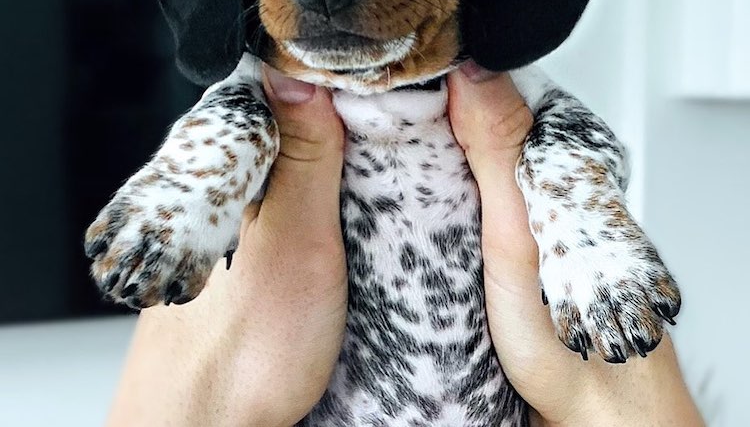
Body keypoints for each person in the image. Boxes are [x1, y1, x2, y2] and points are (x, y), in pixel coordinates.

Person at [106, 65, 704, 427]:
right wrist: (189, 191)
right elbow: (233, 102)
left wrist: (588, 239)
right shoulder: (261, 89)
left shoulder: (496, 74)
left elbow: (578, 133)